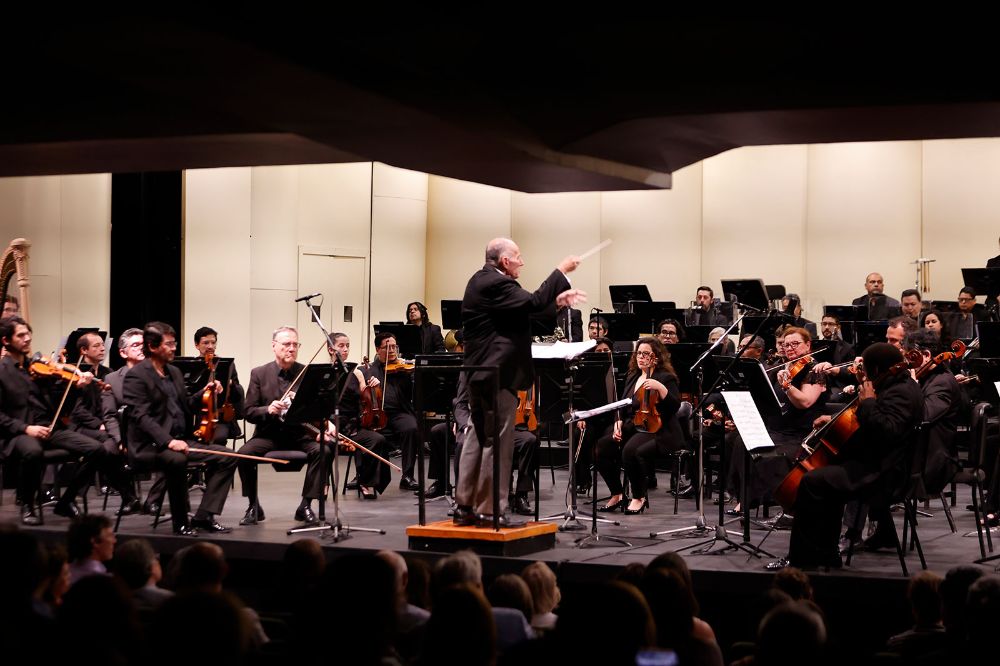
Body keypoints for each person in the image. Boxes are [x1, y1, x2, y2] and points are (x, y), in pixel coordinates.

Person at [455, 238, 583, 527]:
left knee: (478, 437)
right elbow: (534, 301)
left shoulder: (483, 281)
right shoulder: (496, 283)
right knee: (497, 442)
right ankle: (491, 510)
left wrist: (558, 301)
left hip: (483, 372)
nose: (522, 262)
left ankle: (465, 506)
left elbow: (529, 313)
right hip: (496, 373)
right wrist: (561, 271)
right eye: (518, 257)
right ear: (504, 261)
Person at [771, 342, 924, 570]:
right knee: (826, 478)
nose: (863, 375)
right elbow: (871, 423)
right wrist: (833, 419)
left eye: (867, 370)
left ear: (877, 370)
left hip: (884, 474)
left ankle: (803, 559)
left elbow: (887, 430)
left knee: (813, 481)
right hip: (877, 462)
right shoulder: (896, 384)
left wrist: (868, 401)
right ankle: (826, 554)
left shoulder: (901, 392)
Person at [0, 316, 133, 524]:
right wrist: (26, 429)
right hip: (17, 433)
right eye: (20, 335)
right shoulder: (2, 371)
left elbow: (61, 405)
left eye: (28, 333)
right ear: (6, 340)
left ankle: (67, 500)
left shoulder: (37, 368)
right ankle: (28, 504)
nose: (27, 339)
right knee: (32, 451)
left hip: (50, 428)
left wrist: (76, 387)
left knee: (98, 449)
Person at [123, 321, 237, 536]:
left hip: (180, 441)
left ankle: (204, 516)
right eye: (169, 344)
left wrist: (207, 392)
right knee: (176, 459)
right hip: (151, 446)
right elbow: (141, 416)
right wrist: (168, 441)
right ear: (153, 346)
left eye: (174, 343)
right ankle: (181, 522)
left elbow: (186, 405)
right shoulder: (136, 375)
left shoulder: (174, 372)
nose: (174, 348)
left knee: (228, 457)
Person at [238, 326, 331, 525]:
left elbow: (317, 408)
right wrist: (268, 409)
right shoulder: (259, 373)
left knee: (324, 450)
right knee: (244, 455)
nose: (291, 348)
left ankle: (305, 506)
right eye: (286, 344)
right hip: (269, 435)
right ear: (274, 346)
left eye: (295, 344)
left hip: (300, 435)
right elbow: (248, 412)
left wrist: (304, 406)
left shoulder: (307, 372)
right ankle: (253, 506)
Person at [595, 337, 683, 515]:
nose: (641, 357)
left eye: (646, 354)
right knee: (601, 448)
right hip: (634, 426)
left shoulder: (665, 377)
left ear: (656, 357)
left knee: (630, 451)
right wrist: (617, 421)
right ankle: (617, 493)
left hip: (659, 429)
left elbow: (674, 406)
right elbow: (622, 403)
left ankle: (638, 497)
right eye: (638, 353)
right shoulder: (633, 375)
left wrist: (661, 388)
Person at [327, 332, 391, 499]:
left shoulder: (357, 373)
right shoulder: (323, 373)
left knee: (377, 439)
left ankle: (365, 481)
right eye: (341, 346)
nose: (346, 349)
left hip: (353, 426)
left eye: (347, 345)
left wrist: (374, 386)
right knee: (324, 446)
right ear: (330, 349)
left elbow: (366, 398)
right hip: (332, 427)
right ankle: (324, 483)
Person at [365, 331, 422, 490]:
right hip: (377, 415)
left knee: (411, 427)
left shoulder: (403, 368)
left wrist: (412, 374)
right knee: (366, 433)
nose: (391, 351)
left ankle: (408, 476)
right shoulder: (370, 370)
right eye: (387, 347)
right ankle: (364, 477)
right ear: (377, 350)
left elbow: (414, 391)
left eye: (394, 347)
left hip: (399, 413)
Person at [191, 326, 245, 444]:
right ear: (197, 345)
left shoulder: (227, 364)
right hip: (196, 416)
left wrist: (230, 385)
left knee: (217, 438)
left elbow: (237, 396)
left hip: (220, 417)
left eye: (213, 342)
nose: (210, 346)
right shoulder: (192, 366)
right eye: (206, 343)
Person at [66, 514, 115, 586]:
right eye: (110, 536)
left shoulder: (64, 574)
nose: (114, 541)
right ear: (95, 542)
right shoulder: (103, 583)